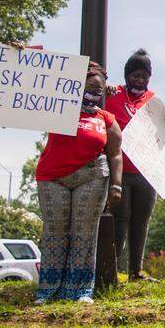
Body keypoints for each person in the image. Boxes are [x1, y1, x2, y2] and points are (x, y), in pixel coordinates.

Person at [34, 61, 123, 303]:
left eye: (100, 89)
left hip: (92, 177)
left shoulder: (106, 119)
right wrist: (19, 56)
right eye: (90, 87)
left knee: (85, 233)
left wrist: (116, 185)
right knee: (55, 232)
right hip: (53, 178)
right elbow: (34, 89)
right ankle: (48, 289)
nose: (95, 92)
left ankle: (80, 289)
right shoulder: (58, 109)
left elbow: (115, 153)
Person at [104, 49, 165, 282]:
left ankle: (136, 271)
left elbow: (162, 129)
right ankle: (111, 271)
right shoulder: (113, 94)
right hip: (120, 170)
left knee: (141, 221)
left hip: (146, 172)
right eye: (135, 75)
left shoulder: (153, 101)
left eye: (144, 76)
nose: (140, 80)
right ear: (127, 75)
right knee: (119, 218)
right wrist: (104, 92)